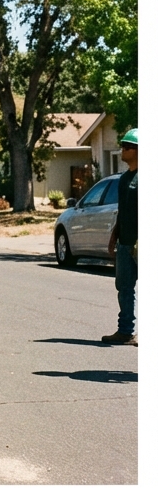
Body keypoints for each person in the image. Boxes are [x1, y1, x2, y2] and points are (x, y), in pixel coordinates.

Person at [103, 128, 137, 346]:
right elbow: (123, 211)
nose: (122, 150)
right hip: (125, 242)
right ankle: (125, 331)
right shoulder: (124, 179)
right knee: (124, 287)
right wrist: (114, 235)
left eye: (127, 147)